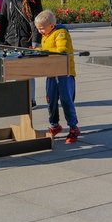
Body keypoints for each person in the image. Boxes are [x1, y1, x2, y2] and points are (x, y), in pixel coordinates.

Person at [34, 11, 80, 144]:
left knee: (66, 100)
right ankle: (54, 124)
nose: (40, 31)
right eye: (38, 28)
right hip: (51, 72)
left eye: (42, 28)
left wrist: (43, 52)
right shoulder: (46, 35)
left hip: (64, 72)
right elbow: (45, 48)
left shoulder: (61, 33)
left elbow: (62, 49)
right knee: (50, 99)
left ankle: (73, 127)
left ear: (52, 25)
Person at [2, 0, 43, 103]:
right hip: (12, 38)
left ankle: (30, 100)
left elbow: (37, 18)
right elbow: (4, 17)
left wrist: (35, 41)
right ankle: (20, 98)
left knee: (27, 70)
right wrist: (2, 39)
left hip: (27, 38)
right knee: (15, 70)